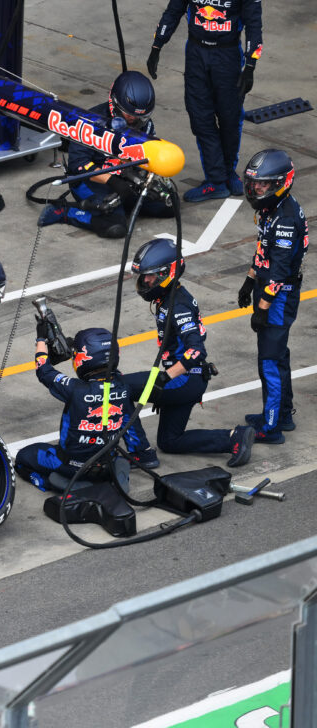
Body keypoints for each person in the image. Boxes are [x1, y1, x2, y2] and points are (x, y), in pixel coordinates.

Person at [124, 238, 256, 467]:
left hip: (185, 379)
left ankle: (141, 452)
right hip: (189, 379)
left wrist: (166, 379)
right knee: (169, 441)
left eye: (151, 275)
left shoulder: (178, 306)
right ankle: (234, 438)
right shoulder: (170, 296)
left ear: (168, 272)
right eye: (143, 276)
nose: (145, 280)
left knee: (119, 388)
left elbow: (197, 351)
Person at [146, 0, 262, 202]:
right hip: (196, 53)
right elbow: (173, 11)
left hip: (228, 55)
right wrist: (157, 45)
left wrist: (250, 64)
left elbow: (254, 23)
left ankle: (227, 172)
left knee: (230, 117)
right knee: (200, 117)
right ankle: (216, 180)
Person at [38, 71, 176, 239]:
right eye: (129, 115)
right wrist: (112, 181)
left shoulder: (144, 125)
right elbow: (78, 166)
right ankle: (66, 212)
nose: (134, 120)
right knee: (114, 227)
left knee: (170, 206)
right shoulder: (89, 122)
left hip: (127, 179)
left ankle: (119, 205)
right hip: (91, 180)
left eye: (140, 116)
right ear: (115, 104)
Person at [236, 149, 308, 443]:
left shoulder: (287, 219)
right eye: (254, 184)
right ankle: (283, 413)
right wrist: (249, 280)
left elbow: (278, 271)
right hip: (267, 288)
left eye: (263, 185)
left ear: (281, 183)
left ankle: (271, 427)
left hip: (278, 296)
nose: (257, 189)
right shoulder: (271, 210)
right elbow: (263, 249)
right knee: (278, 357)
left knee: (269, 361)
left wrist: (262, 307)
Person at [15, 328, 140, 490]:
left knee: (23, 457)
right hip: (107, 463)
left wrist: (41, 340)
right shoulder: (125, 385)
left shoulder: (75, 389)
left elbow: (44, 370)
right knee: (119, 459)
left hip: (71, 467)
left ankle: (56, 483)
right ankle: (113, 476)